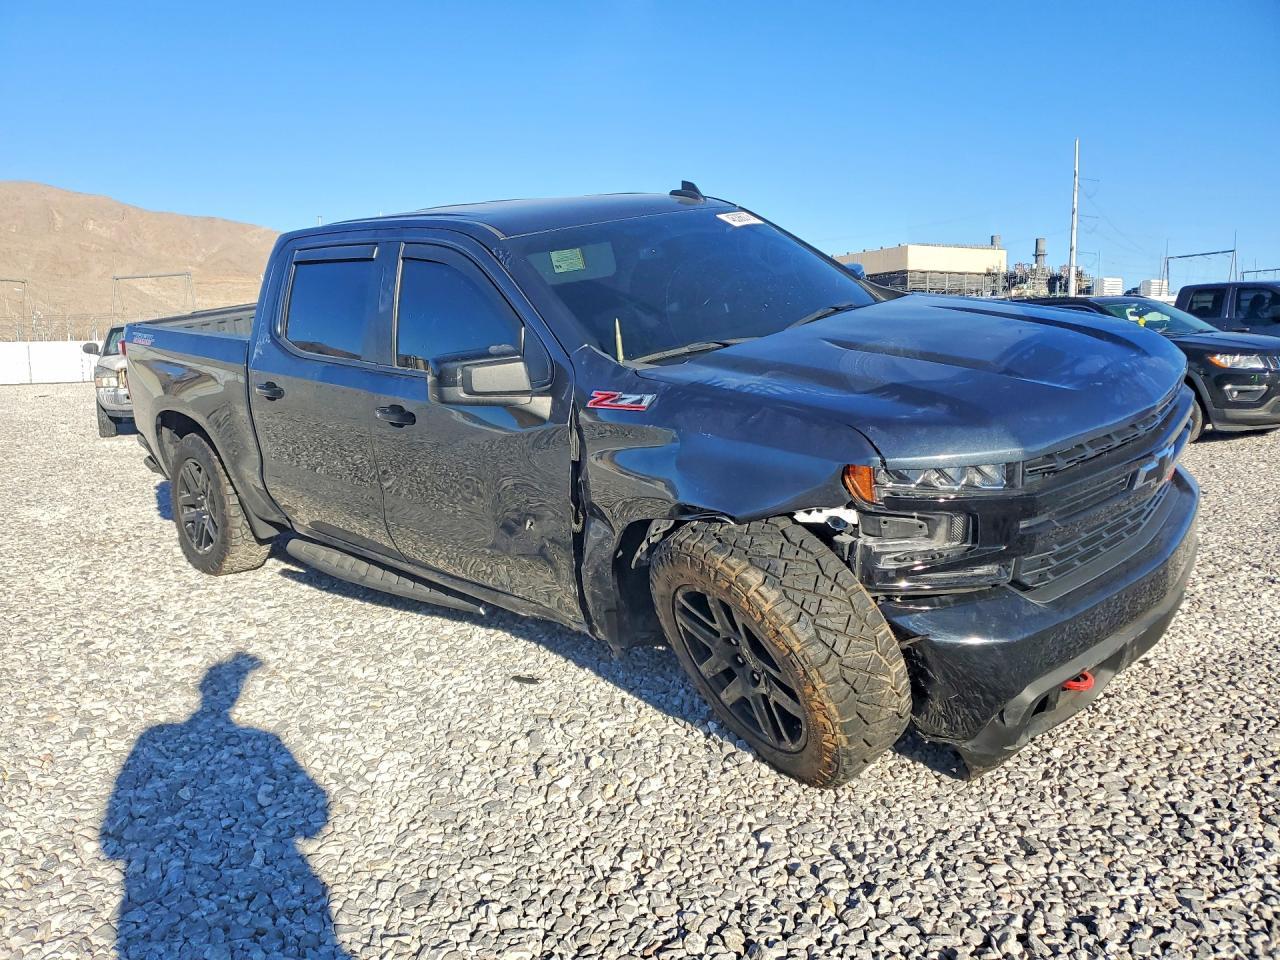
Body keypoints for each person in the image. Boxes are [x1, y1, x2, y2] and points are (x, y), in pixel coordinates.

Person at [100, 654, 351, 959]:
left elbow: (114, 837)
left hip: (161, 887)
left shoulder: (156, 738)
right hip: (271, 867)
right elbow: (315, 813)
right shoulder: (263, 742)